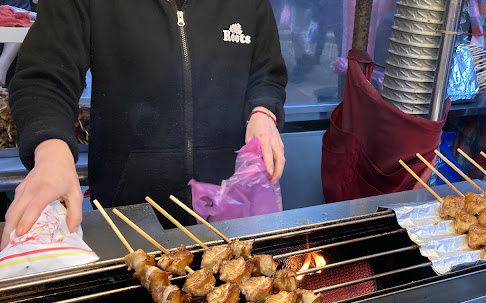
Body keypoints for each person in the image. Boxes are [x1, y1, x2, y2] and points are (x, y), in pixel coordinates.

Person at [1, 0, 287, 249]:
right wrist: (51, 151)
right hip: (129, 211)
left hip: (229, 203)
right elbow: (45, 76)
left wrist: (263, 111)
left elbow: (266, 71)